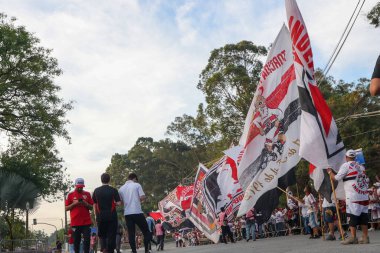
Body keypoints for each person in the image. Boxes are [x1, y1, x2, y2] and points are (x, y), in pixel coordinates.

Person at [328, 149, 370, 245]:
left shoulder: (346, 165)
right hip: (363, 195)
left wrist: (330, 172)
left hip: (353, 196)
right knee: (363, 217)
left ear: (346, 157)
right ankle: (365, 237)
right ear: (355, 157)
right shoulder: (361, 166)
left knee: (352, 216)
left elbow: (337, 178)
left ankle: (353, 237)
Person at [118, 173, 150, 253]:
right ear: (134, 178)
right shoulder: (137, 185)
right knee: (146, 232)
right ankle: (146, 250)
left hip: (127, 214)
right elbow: (142, 197)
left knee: (131, 233)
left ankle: (134, 251)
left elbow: (120, 202)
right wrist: (142, 199)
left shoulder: (121, 189)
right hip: (137, 212)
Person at [93, 173, 121, 253]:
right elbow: (119, 203)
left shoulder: (96, 190)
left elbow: (94, 203)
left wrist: (96, 215)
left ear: (101, 180)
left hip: (100, 216)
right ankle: (110, 250)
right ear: (109, 180)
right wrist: (114, 204)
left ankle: (104, 248)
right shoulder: (113, 190)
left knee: (102, 234)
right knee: (111, 234)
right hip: (112, 216)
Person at [65, 178, 94, 253]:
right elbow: (66, 208)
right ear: (75, 185)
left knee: (87, 239)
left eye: (82, 187)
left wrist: (85, 203)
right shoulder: (70, 195)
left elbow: (91, 207)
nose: (80, 188)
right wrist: (75, 203)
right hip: (75, 222)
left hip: (86, 222)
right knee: (76, 241)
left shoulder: (87, 194)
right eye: (79, 187)